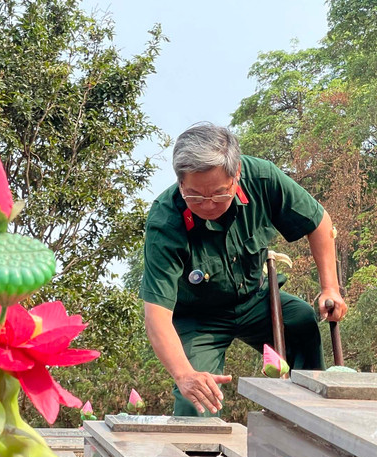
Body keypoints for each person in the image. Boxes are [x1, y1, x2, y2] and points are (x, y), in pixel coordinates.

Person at [141, 123, 347, 416]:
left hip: (255, 299)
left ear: (236, 174)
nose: (209, 204)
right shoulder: (165, 219)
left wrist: (330, 288)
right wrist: (184, 375)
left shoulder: (262, 178)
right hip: (199, 319)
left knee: (301, 321)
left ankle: (311, 422)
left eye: (219, 193)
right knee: (196, 401)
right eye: (195, 196)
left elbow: (319, 222)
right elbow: (157, 315)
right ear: (180, 183)